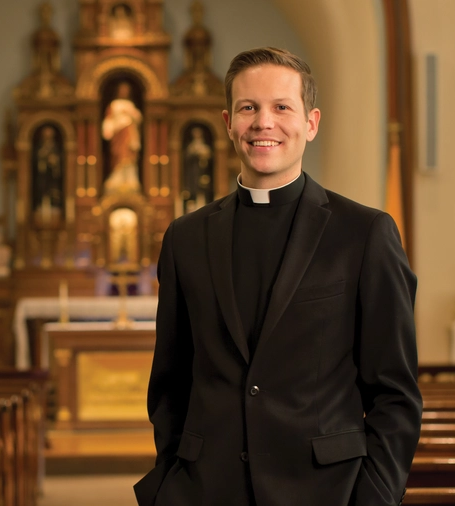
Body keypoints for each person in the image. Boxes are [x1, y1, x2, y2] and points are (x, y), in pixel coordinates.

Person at [134, 47, 422, 506]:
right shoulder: (185, 238)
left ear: (311, 122)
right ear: (229, 122)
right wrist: (168, 483)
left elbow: (396, 393)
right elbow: (169, 383)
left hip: (327, 492)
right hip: (207, 492)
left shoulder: (364, 234)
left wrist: (374, 496)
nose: (263, 123)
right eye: (249, 108)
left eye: (281, 107)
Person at [102, 81, 142, 193]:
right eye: (122, 90)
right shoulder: (114, 104)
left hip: (130, 135)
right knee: (119, 157)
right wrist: (108, 131)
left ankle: (130, 180)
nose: (124, 92)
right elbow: (109, 120)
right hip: (119, 135)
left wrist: (130, 114)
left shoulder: (130, 105)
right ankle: (116, 180)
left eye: (126, 90)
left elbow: (138, 118)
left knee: (130, 158)